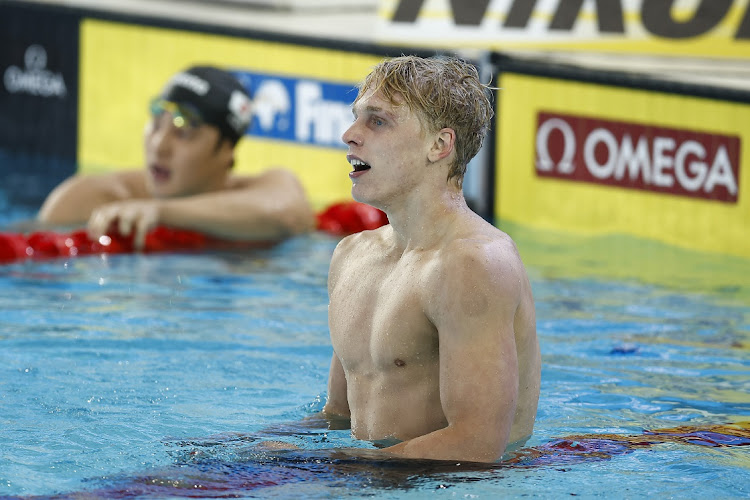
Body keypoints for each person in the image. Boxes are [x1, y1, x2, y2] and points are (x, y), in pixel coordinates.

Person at [321, 55, 541, 463]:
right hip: (373, 477)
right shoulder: (352, 256)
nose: (350, 135)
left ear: (439, 145)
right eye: (356, 118)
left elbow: (475, 446)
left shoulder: (474, 264)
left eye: (378, 121)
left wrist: (322, 470)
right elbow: (338, 419)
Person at [37, 65, 315, 249]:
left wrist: (160, 212)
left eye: (184, 133)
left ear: (226, 150)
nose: (159, 146)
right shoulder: (94, 198)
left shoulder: (269, 186)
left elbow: (289, 216)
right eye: (156, 124)